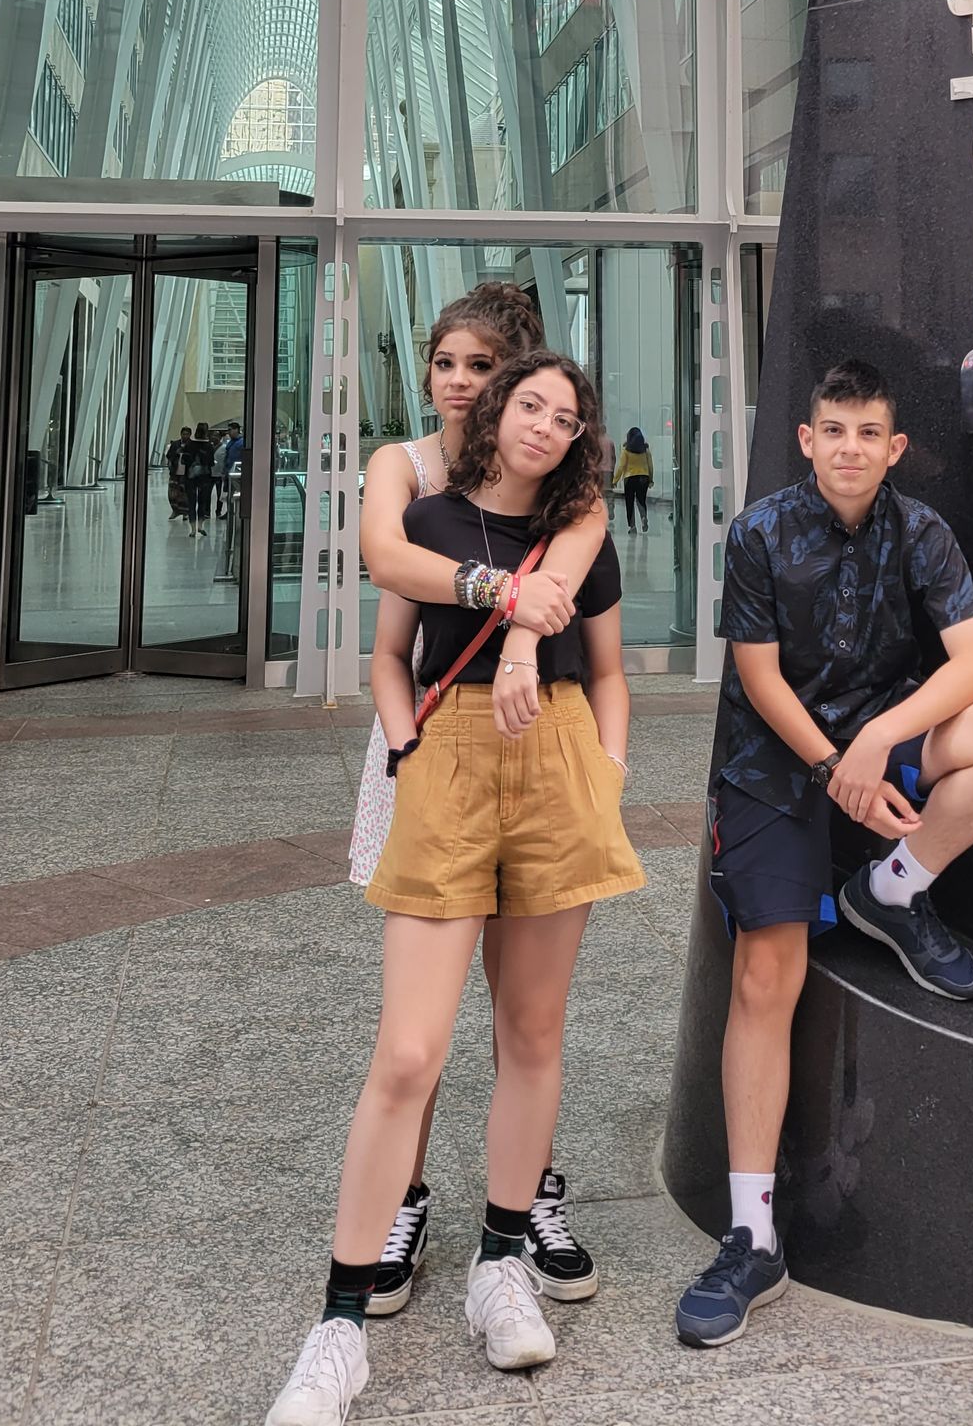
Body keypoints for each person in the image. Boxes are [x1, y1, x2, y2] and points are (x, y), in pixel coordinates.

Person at [266, 349, 642, 1426]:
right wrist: (408, 747)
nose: (542, 424)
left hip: (558, 763)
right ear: (495, 410)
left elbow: (610, 672)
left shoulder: (580, 531)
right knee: (410, 1050)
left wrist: (606, 776)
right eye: (529, 403)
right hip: (450, 762)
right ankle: (336, 1327)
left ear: (577, 436)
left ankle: (499, 1262)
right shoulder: (432, 521)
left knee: (532, 1033)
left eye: (565, 415)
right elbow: (395, 650)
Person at [674, 358, 973, 1351]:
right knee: (768, 972)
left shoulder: (921, 531)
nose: (849, 447)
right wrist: (836, 758)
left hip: (875, 754)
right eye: (831, 428)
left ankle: (894, 886)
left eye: (866, 432)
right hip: (776, 767)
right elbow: (756, 676)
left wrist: (880, 739)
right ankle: (751, 1236)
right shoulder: (757, 532)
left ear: (895, 447)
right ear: (805, 439)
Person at [347, 284, 607, 1317]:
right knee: (422, 1011)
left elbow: (580, 593)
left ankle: (524, 1189)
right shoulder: (403, 468)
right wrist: (502, 600)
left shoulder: (554, 479)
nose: (463, 382)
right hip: (427, 738)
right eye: (449, 363)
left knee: (524, 1004)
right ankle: (404, 1195)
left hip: (533, 753)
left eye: (483, 366)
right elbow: (390, 559)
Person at [611, 426, 652, 533]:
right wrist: (651, 479)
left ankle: (632, 526)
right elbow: (650, 465)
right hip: (644, 477)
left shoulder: (626, 450)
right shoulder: (646, 450)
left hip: (629, 478)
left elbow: (622, 466)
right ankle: (643, 517)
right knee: (641, 500)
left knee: (630, 502)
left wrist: (615, 480)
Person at [183, 422, 215, 532]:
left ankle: (192, 529)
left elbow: (184, 461)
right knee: (202, 502)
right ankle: (200, 526)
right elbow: (211, 463)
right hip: (204, 478)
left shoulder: (189, 445)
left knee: (191, 502)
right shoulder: (209, 446)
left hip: (190, 477)